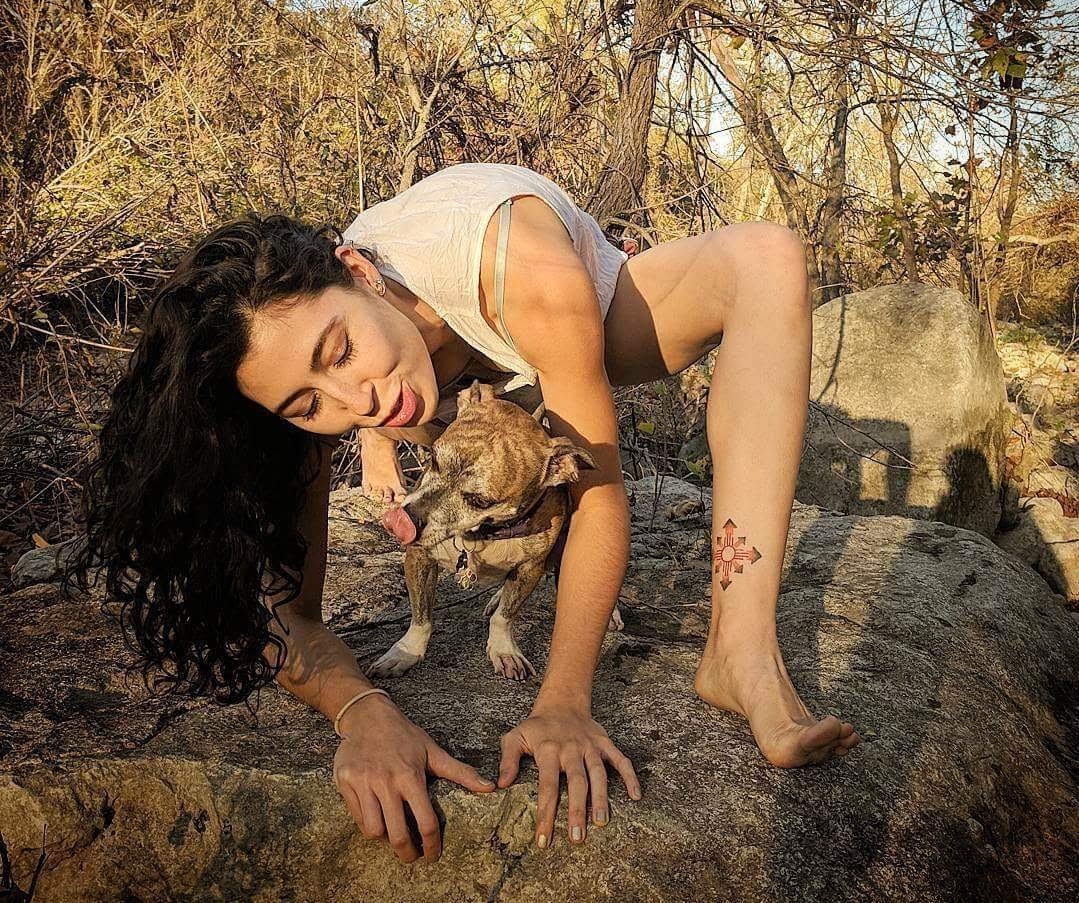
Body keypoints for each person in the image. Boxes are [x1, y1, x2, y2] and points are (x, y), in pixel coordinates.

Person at [68, 161, 858, 865]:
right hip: (462, 381)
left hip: (581, 316)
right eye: (308, 402)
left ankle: (741, 652)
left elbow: (597, 489)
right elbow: (288, 615)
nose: (355, 399)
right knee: (350, 412)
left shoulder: (524, 267)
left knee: (767, 255)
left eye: (339, 351)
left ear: (359, 272)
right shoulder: (308, 388)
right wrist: (360, 712)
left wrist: (562, 704)